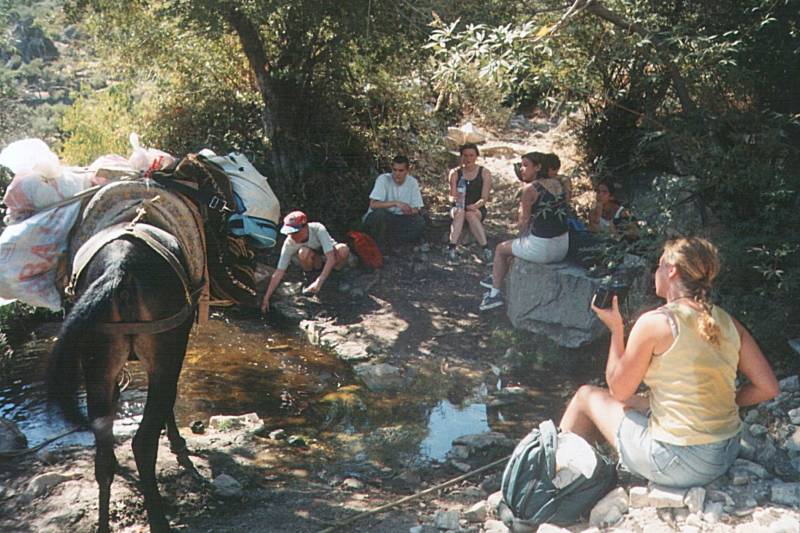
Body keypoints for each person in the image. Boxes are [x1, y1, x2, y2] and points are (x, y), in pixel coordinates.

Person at [559, 237, 779, 488]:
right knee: (637, 401)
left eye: (659, 265)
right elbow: (768, 387)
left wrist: (616, 331)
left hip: (678, 462)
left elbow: (618, 390)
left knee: (586, 396)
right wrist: (723, 401)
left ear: (671, 270)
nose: (656, 272)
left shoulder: (655, 322)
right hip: (724, 453)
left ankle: (548, 480)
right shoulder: (728, 321)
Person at [479, 152, 569, 311]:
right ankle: (497, 277)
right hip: (563, 246)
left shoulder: (530, 189)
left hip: (543, 250)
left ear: (538, 167)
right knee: (514, 247)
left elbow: (523, 223)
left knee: (501, 249)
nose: (521, 169)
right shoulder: (560, 183)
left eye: (526, 165)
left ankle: (494, 295)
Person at [260, 210, 350, 314]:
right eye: (289, 233)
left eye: (295, 232)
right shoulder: (289, 243)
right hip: (315, 263)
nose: (292, 236)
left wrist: (319, 281)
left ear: (305, 227)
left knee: (343, 250)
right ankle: (310, 281)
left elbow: (331, 258)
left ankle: (335, 278)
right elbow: (279, 272)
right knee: (303, 252)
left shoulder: (317, 229)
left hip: (329, 258)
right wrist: (266, 297)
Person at [362, 155, 425, 250]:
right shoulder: (383, 179)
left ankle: (393, 243)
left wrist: (409, 210)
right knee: (380, 215)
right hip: (381, 217)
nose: (397, 174)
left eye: (401, 171)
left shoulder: (412, 182)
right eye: (394, 170)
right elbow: (373, 204)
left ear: (407, 171)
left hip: (398, 219)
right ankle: (380, 244)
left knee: (419, 222)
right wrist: (395, 203)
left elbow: (416, 209)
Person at [446, 143, 493, 265]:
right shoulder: (455, 173)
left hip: (476, 208)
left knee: (470, 214)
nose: (468, 159)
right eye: (465, 156)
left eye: (471, 155)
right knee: (461, 212)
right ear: (461, 157)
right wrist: (455, 200)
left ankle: (485, 249)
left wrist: (475, 206)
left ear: (476, 156)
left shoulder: (484, 173)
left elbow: (484, 198)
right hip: (458, 207)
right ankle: (451, 249)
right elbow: (451, 195)